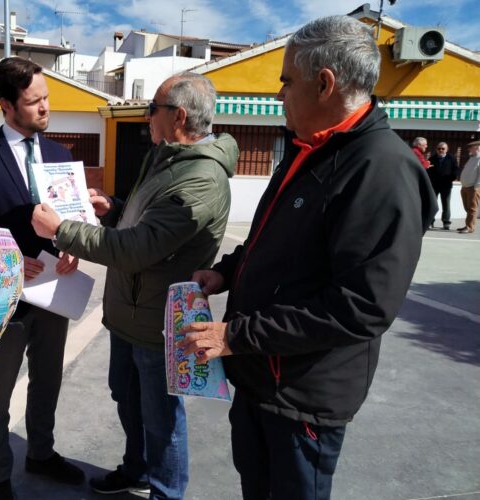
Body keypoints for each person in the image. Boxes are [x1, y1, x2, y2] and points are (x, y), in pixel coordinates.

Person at [178, 16, 436, 500]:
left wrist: (235, 334)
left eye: (285, 81)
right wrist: (227, 272)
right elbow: (272, 241)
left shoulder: (381, 170)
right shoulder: (308, 148)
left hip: (301, 396)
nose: (279, 95)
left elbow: (362, 307)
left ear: (324, 83)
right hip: (260, 377)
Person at [32, 72, 238, 499]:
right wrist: (114, 208)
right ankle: (137, 469)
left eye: (153, 109)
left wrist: (63, 230)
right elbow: (144, 223)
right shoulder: (166, 157)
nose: (146, 116)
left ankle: (166, 491)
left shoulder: (201, 178)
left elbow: (139, 248)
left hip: (159, 323)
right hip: (131, 312)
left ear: (178, 116)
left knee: (161, 417)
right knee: (126, 396)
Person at [0, 57, 84, 500]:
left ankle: (41, 453)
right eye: (34, 101)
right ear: (7, 105)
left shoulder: (60, 155)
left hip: (54, 292)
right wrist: (8, 255)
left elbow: (72, 220)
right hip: (5, 297)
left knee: (48, 380)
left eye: (47, 97)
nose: (45, 108)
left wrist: (73, 246)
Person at [428, 142, 459, 229]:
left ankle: (446, 222)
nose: (440, 150)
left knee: (446, 204)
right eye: (439, 148)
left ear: (447, 149)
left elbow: (456, 170)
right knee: (432, 204)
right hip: (434, 185)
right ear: (436, 149)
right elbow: (428, 171)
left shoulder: (451, 158)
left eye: (443, 148)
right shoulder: (432, 158)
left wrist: (451, 178)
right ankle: (430, 222)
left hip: (446, 185)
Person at [457, 139, 480, 234]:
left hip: (473, 187)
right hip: (465, 186)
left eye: (470, 147)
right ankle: (468, 225)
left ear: (477, 147)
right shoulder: (472, 158)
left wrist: (476, 187)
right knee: (467, 207)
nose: (469, 149)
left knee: (472, 208)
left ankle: (470, 227)